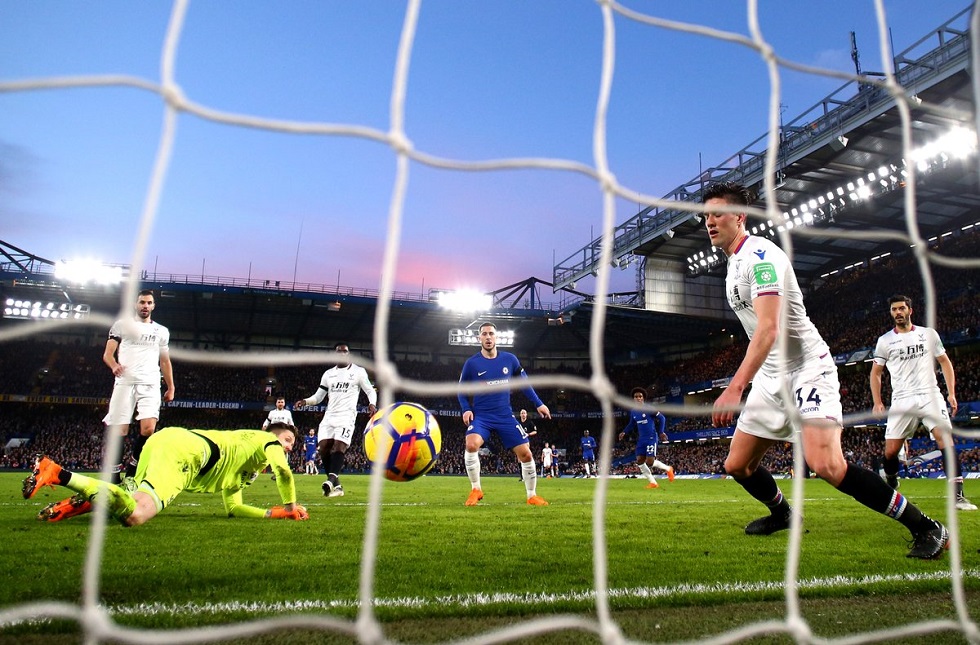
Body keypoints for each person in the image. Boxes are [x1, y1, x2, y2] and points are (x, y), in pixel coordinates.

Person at [702, 181, 948, 559]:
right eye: (705, 216)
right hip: (772, 378)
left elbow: (769, 329)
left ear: (740, 216)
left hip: (806, 370)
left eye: (717, 213)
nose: (709, 222)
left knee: (827, 465)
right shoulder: (734, 265)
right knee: (737, 465)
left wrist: (735, 386)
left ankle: (926, 526)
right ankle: (784, 514)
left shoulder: (762, 258)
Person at [23, 423, 308, 525]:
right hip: (190, 455)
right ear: (272, 436)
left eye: (291, 444)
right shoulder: (265, 441)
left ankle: (78, 505)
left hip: (167, 440)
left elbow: (234, 507)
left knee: (129, 498)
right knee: (136, 515)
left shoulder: (247, 464)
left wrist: (276, 514)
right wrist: (292, 507)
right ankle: (58, 473)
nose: (287, 447)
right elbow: (283, 471)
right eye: (286, 440)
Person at [870, 294, 976, 510]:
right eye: (894, 309)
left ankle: (958, 496)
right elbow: (876, 373)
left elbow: (945, 363)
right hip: (902, 399)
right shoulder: (885, 341)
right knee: (890, 452)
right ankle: (891, 479)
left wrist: (951, 393)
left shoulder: (929, 335)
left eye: (901, 308)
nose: (898, 312)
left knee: (944, 438)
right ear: (891, 313)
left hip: (930, 395)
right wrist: (877, 402)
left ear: (910, 310)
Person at [458, 322, 550, 506]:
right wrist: (466, 408)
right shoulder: (472, 363)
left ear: (496, 337)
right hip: (482, 416)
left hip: (505, 416)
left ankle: (532, 495)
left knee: (526, 454)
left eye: (491, 333)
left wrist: (539, 403)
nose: (488, 337)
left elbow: (524, 383)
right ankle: (476, 489)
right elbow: (461, 390)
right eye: (484, 334)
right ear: (479, 338)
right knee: (471, 444)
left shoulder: (510, 359)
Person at [102, 289, 175, 484]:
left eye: (149, 303)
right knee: (120, 431)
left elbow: (165, 362)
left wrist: (171, 387)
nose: (145, 306)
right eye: (142, 302)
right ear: (136, 304)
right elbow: (108, 354)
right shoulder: (121, 326)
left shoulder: (161, 331)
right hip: (124, 382)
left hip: (150, 383)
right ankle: (114, 476)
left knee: (148, 429)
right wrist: (114, 365)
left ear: (153, 306)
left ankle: (133, 471)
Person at [295, 342, 377, 498]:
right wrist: (305, 401)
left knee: (338, 448)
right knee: (323, 448)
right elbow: (319, 397)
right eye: (339, 352)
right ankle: (337, 486)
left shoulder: (358, 372)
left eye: (345, 351)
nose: (342, 354)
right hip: (329, 416)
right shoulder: (328, 374)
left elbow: (369, 391)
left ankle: (331, 480)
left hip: (346, 416)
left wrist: (372, 404)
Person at [618, 387, 674, 488]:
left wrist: (661, 432)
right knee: (639, 460)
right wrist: (624, 432)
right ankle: (653, 482)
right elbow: (631, 424)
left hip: (651, 438)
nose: (638, 398)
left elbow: (662, 418)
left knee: (650, 462)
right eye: (636, 397)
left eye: (640, 396)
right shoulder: (633, 411)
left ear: (643, 398)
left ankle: (668, 469)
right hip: (641, 439)